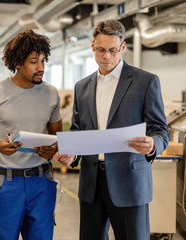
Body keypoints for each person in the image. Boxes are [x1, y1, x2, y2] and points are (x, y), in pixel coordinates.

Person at [54, 19, 169, 240]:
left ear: (123, 47)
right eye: (100, 50)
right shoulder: (82, 87)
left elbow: (160, 129)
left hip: (129, 182)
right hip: (91, 184)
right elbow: (78, 131)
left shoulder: (145, 82)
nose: (106, 56)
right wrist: (72, 152)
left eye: (113, 50)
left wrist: (154, 143)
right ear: (92, 47)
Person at [0, 29, 62, 240]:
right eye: (33, 62)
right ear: (18, 63)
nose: (41, 68)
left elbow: (58, 136)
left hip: (42, 181)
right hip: (6, 184)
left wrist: (52, 149)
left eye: (43, 61)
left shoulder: (51, 93)